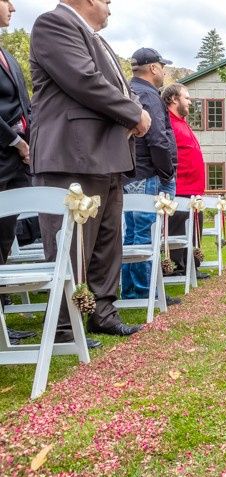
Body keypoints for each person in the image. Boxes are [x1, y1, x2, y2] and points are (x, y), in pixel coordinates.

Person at [30, 0, 151, 346]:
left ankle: (102, 312)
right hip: (72, 152)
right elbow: (85, 80)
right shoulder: (53, 24)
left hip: (107, 154)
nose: (111, 6)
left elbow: (114, 84)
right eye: (108, 1)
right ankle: (66, 325)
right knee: (72, 243)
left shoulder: (96, 37)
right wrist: (134, 114)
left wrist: (134, 113)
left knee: (106, 240)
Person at [121, 47, 181, 305]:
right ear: (154, 68)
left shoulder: (128, 91)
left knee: (133, 232)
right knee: (145, 232)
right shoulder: (148, 95)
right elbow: (157, 137)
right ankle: (145, 290)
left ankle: (132, 289)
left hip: (132, 172)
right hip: (148, 172)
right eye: (162, 67)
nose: (164, 72)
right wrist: (167, 170)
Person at [0, 0, 36, 345]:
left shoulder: (7, 55)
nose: (12, 7)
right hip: (3, 153)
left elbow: (23, 105)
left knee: (3, 240)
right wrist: (14, 140)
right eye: (7, 0)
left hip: (16, 163)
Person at [161, 83, 209, 280]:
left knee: (195, 228)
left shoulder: (182, 122)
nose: (190, 101)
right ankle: (176, 267)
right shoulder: (168, 123)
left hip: (194, 191)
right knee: (178, 229)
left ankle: (192, 265)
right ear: (174, 99)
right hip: (180, 189)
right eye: (186, 98)